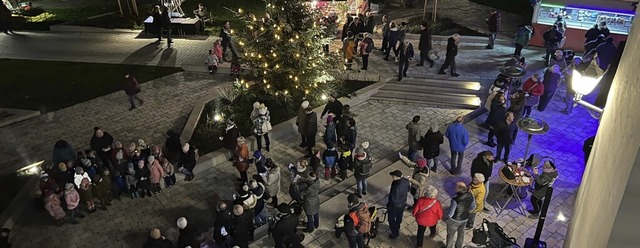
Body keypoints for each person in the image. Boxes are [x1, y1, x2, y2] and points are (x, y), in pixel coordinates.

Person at [445, 182, 473, 248]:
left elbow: (451, 214)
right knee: (461, 234)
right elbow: (473, 207)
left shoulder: (455, 199)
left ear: (458, 189)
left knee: (450, 236)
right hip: (465, 219)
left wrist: (447, 216)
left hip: (454, 221)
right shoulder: (471, 195)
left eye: (456, 187)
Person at [387, 170, 410, 239]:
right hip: (402, 203)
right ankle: (398, 225)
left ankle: (395, 233)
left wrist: (389, 205)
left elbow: (393, 199)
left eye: (393, 176)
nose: (392, 178)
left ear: (397, 177)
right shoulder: (406, 181)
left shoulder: (396, 187)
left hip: (394, 206)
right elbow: (408, 189)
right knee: (399, 216)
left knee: (391, 219)